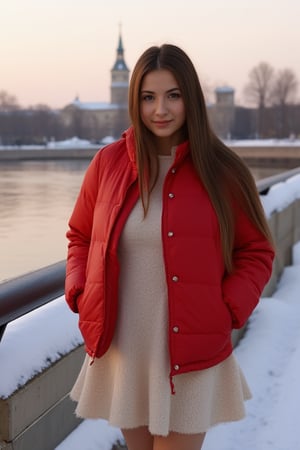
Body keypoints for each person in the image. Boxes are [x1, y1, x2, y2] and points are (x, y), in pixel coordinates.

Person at [65, 44, 275, 450]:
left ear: (190, 99)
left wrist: (228, 308)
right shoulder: (108, 165)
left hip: (192, 352)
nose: (160, 109)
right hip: (126, 350)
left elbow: (257, 250)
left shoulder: (223, 170)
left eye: (173, 95)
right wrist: (80, 291)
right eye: (148, 97)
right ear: (135, 101)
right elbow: (81, 236)